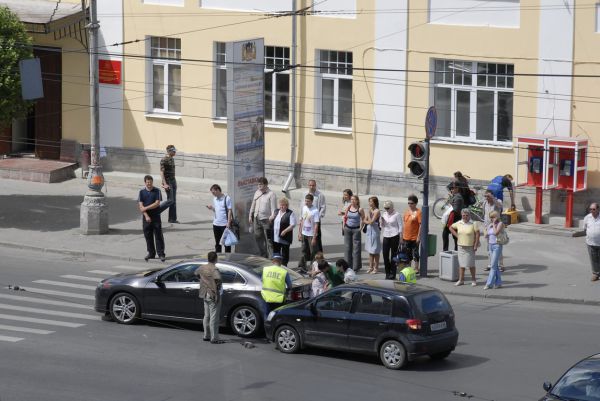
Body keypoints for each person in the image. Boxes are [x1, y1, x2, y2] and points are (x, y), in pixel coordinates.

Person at [194, 252, 224, 344]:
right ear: (216, 259)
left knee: (206, 316)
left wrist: (202, 279)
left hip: (204, 293)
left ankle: (206, 336)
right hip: (212, 294)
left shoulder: (202, 267)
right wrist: (216, 290)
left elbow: (195, 273)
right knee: (214, 317)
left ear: (208, 258)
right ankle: (214, 338)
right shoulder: (214, 269)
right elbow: (218, 279)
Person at [138, 175, 167, 262]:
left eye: (150, 182)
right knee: (148, 236)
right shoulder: (141, 192)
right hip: (146, 218)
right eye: (147, 182)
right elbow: (140, 205)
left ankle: (161, 254)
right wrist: (146, 215)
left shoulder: (157, 191)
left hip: (155, 217)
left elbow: (157, 203)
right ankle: (151, 253)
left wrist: (145, 208)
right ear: (145, 182)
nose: (149, 184)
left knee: (158, 236)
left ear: (152, 182)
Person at [449, 208, 480, 287]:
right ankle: (461, 280)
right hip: (461, 246)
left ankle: (473, 280)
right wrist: (457, 236)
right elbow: (450, 227)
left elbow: (477, 234)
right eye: (463, 215)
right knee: (462, 265)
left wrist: (476, 244)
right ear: (461, 215)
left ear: (469, 215)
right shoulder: (459, 223)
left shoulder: (473, 223)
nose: (465, 217)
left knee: (471, 264)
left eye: (467, 215)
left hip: (470, 247)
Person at [249, 177, 278, 258]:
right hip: (256, 218)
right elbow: (253, 204)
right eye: (258, 184)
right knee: (258, 237)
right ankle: (263, 255)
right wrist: (250, 215)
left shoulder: (271, 194)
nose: (259, 186)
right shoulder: (257, 192)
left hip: (266, 220)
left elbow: (274, 209)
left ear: (266, 185)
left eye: (261, 184)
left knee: (269, 240)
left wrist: (272, 218)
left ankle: (271, 258)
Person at [301, 179, 326, 252]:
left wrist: (318, 217)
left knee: (316, 238)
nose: (311, 187)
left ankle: (319, 255)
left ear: (315, 186)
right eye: (310, 185)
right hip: (306, 219)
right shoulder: (304, 194)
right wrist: (301, 217)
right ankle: (308, 255)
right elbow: (302, 206)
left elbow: (323, 207)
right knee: (306, 237)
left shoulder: (320, 195)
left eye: (313, 185)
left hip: (315, 220)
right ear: (308, 185)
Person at [206, 184, 232, 253]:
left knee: (227, 244)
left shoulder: (227, 198)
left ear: (218, 190)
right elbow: (217, 210)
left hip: (224, 225)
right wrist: (212, 208)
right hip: (216, 224)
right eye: (212, 193)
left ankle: (227, 258)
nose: (213, 194)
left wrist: (228, 222)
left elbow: (229, 210)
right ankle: (218, 257)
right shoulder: (215, 199)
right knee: (217, 243)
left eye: (213, 192)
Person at [343, 195, 365, 272]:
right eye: (351, 199)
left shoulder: (360, 209)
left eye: (354, 199)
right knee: (347, 248)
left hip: (356, 229)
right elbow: (345, 217)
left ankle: (356, 267)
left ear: (357, 201)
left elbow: (363, 219)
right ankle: (347, 266)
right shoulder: (348, 207)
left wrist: (360, 228)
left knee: (356, 249)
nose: (352, 201)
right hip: (348, 228)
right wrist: (344, 226)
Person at [298, 194, 320, 272]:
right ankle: (302, 267)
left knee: (313, 252)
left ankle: (312, 268)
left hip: (311, 234)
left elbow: (316, 224)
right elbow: (302, 220)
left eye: (308, 201)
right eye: (305, 201)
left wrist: (314, 237)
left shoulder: (315, 210)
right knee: (303, 251)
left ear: (312, 201)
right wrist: (299, 233)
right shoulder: (304, 208)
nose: (306, 202)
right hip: (304, 233)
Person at [482, 190, 504, 271]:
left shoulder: (498, 201)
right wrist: (485, 227)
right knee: (489, 247)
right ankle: (490, 264)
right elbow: (484, 213)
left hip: (497, 226)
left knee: (498, 246)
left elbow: (500, 206)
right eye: (486, 196)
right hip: (487, 227)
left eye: (488, 196)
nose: (487, 198)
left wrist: (493, 198)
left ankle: (500, 265)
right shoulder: (485, 203)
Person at [381, 200, 402, 280]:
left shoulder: (397, 214)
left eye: (388, 208)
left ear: (392, 207)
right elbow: (382, 225)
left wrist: (401, 238)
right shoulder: (384, 214)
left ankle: (393, 273)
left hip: (394, 235)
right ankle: (387, 272)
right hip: (386, 235)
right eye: (385, 208)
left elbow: (400, 226)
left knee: (393, 255)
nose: (386, 209)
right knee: (385, 255)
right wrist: (382, 221)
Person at [271, 197, 296, 267]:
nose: (281, 206)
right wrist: (270, 218)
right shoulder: (276, 211)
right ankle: (276, 265)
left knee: (285, 253)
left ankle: (284, 266)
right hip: (275, 237)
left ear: (287, 206)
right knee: (276, 253)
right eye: (280, 205)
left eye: (283, 205)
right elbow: (271, 219)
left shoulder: (290, 213)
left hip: (285, 237)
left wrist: (285, 231)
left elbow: (292, 225)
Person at [484, 211, 504, 290]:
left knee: (492, 266)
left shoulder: (500, 224)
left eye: (493, 217)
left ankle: (489, 284)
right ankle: (498, 283)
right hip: (490, 246)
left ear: (497, 217)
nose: (492, 219)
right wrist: (487, 229)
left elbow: (496, 233)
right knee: (494, 265)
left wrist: (494, 225)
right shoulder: (490, 225)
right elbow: (486, 235)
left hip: (497, 246)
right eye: (491, 217)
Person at [402, 194, 422, 274]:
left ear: (415, 203)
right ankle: (409, 268)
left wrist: (418, 236)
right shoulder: (406, 212)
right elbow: (404, 223)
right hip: (406, 236)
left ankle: (416, 268)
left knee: (415, 253)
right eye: (409, 203)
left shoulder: (419, 212)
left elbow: (421, 225)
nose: (410, 205)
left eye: (412, 203)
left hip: (414, 237)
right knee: (407, 253)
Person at [160, 145, 178, 224]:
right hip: (168, 182)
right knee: (170, 200)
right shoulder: (164, 160)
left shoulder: (172, 159)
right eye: (173, 151)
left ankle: (172, 219)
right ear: (169, 151)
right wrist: (164, 183)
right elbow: (161, 172)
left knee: (173, 201)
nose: (175, 152)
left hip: (173, 181)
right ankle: (155, 211)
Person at [443, 183, 463, 252]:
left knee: (454, 236)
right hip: (452, 218)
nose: (451, 190)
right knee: (445, 234)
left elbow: (455, 209)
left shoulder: (458, 198)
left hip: (455, 219)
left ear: (457, 189)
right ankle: (447, 250)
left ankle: (456, 250)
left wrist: (450, 204)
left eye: (453, 188)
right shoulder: (455, 196)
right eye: (451, 189)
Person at [364, 196, 382, 274]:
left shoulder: (377, 211)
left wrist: (368, 215)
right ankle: (370, 267)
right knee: (370, 251)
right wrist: (368, 220)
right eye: (369, 201)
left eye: (371, 201)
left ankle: (376, 267)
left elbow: (371, 221)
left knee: (375, 251)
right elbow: (364, 220)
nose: (369, 203)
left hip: (375, 232)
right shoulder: (370, 210)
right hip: (369, 231)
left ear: (374, 202)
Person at [583, 202, 600, 282]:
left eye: (593, 209)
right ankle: (595, 274)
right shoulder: (587, 217)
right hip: (590, 242)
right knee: (593, 259)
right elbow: (585, 228)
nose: (591, 211)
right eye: (590, 209)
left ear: (598, 209)